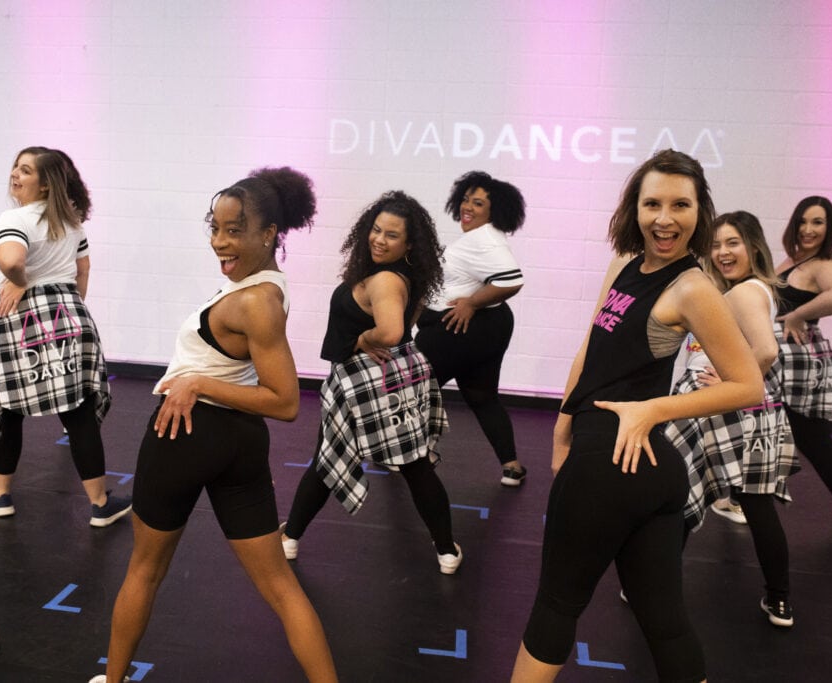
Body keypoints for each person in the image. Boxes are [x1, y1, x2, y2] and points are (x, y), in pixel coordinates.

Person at [510, 150, 763, 682]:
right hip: (639, 464)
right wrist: (562, 424)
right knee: (664, 623)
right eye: (652, 203)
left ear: (701, 212)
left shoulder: (691, 286)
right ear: (635, 207)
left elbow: (748, 384)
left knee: (556, 606)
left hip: (615, 462)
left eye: (680, 205)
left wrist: (654, 408)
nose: (664, 218)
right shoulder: (626, 264)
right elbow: (592, 344)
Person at [97, 168, 337, 683]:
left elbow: (286, 401)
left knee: (144, 569)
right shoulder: (265, 287)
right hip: (239, 442)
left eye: (235, 230)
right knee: (280, 586)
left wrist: (198, 384)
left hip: (183, 436)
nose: (220, 243)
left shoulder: (256, 301)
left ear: (269, 233)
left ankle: (112, 681)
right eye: (216, 228)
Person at [280, 191, 460, 573]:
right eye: (376, 230)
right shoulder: (404, 276)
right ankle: (446, 551)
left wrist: (362, 340)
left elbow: (392, 331)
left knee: (327, 459)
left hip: (365, 379)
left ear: (409, 244)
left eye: (391, 235)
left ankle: (290, 538)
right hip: (395, 377)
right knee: (414, 466)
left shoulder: (384, 280)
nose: (379, 239)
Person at [0, 146, 131, 527]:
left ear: (45, 185)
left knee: (10, 409)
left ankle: (1, 497)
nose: (15, 174)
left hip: (19, 318)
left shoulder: (13, 218)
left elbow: (11, 261)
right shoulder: (72, 222)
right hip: (69, 317)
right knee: (78, 413)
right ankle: (99, 504)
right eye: (15, 166)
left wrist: (22, 282)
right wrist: (65, 302)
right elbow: (83, 271)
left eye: (26, 170)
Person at [664, 211, 798, 627]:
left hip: (726, 409)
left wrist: (725, 377)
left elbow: (767, 351)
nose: (722, 252)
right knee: (757, 509)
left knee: (677, 494)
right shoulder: (759, 290)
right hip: (753, 411)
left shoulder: (743, 293)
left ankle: (650, 585)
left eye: (733, 243)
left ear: (754, 246)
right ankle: (779, 601)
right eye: (717, 244)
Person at [415, 171, 527, 486]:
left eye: (478, 203)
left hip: (464, 327)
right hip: (488, 327)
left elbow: (512, 280)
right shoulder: (482, 237)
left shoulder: (484, 238)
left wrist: (471, 304)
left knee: (411, 384)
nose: (468, 207)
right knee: (482, 396)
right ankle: (512, 466)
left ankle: (426, 453)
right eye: (466, 199)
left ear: (494, 211)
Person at [773, 196, 832, 517]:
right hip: (779, 365)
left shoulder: (823, 265)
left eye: (818, 222)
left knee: (814, 441)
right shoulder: (793, 260)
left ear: (829, 229)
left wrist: (799, 314)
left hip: (799, 370)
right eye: (803, 221)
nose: (809, 229)